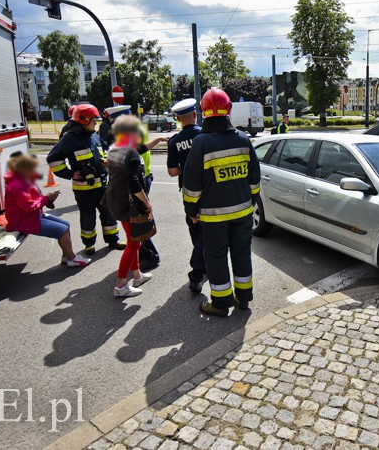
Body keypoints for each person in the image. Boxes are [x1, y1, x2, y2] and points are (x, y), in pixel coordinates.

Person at [182, 88, 261, 316]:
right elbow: (255, 181)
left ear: (203, 112)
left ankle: (220, 303)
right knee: (242, 254)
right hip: (243, 213)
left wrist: (191, 210)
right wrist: (249, 202)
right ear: (229, 110)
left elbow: (192, 187)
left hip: (212, 217)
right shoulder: (243, 139)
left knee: (215, 257)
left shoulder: (201, 143)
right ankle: (244, 297)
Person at [46, 104, 126, 254]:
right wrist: (69, 174)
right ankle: (89, 244)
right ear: (83, 120)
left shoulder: (94, 136)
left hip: (102, 185)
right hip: (84, 189)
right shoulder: (69, 139)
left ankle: (113, 240)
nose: (96, 123)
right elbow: (53, 158)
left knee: (109, 213)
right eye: (93, 121)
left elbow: (105, 150)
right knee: (88, 217)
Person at [100, 105, 164, 270]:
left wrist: (158, 140)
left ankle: (144, 262)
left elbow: (139, 152)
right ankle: (141, 264)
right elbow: (131, 177)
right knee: (136, 231)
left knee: (136, 231)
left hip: (127, 194)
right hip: (128, 194)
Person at [4, 153, 90, 267]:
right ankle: (72, 259)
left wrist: (49, 199)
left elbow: (35, 199)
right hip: (23, 220)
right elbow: (28, 207)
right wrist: (46, 199)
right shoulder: (17, 185)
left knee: (66, 225)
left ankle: (66, 256)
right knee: (62, 231)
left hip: (34, 216)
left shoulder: (25, 180)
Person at [166, 98, 205, 292]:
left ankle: (198, 271)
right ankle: (199, 271)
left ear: (179, 119)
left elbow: (172, 172)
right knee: (209, 231)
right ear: (195, 115)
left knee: (196, 230)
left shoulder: (174, 141)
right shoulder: (205, 135)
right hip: (209, 191)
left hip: (189, 193)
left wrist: (186, 170)